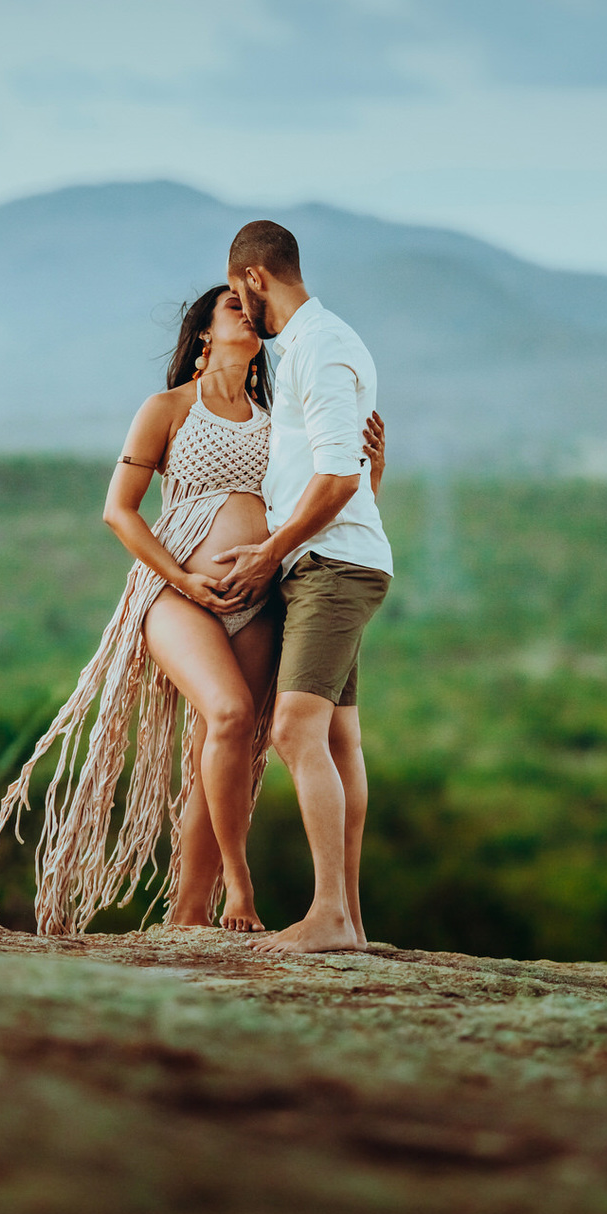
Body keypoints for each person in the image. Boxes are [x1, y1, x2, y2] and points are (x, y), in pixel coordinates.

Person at [0, 283, 384, 938]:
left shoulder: (280, 420)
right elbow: (119, 511)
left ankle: (189, 912)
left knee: (231, 742)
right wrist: (186, 582)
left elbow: (323, 503)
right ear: (202, 333)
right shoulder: (166, 408)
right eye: (232, 308)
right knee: (227, 712)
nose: (246, 316)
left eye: (252, 311)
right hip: (175, 593)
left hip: (256, 596)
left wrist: (371, 474)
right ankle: (239, 884)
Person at [218, 220, 393, 954]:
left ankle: (326, 915)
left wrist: (266, 555)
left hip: (329, 567)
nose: (237, 305)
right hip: (331, 560)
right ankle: (348, 918)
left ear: (255, 278)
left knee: (293, 730)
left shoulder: (318, 351)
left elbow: (338, 478)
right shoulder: (316, 345)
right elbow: (346, 471)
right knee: (340, 738)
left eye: (235, 292)